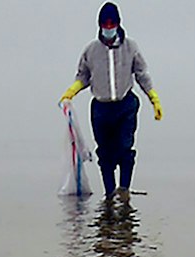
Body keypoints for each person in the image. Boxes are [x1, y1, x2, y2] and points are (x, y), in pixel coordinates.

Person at [60, 4, 162, 198]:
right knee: (105, 154)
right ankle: (109, 194)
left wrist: (153, 98)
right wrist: (71, 91)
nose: (109, 27)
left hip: (125, 105)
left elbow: (142, 74)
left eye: (112, 23)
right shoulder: (91, 50)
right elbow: (83, 76)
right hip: (101, 108)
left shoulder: (130, 47)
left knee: (125, 148)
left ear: (118, 24)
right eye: (105, 24)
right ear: (99, 25)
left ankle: (123, 190)